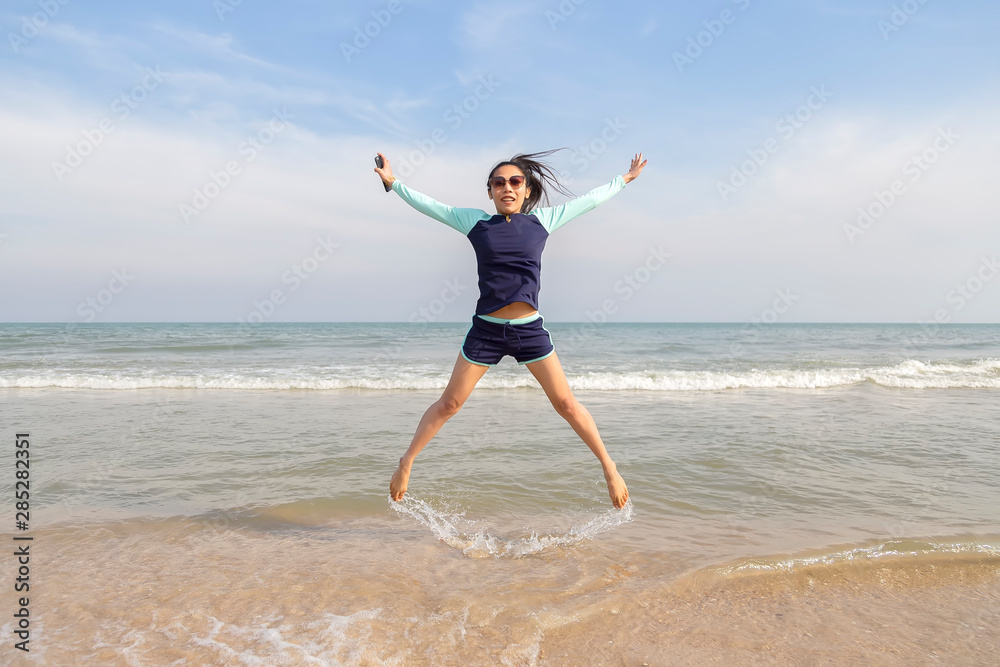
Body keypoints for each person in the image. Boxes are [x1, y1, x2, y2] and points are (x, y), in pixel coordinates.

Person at [374, 149, 647, 509]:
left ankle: (610, 468)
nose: (507, 188)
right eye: (499, 183)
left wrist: (624, 180)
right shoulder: (475, 222)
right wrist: (393, 183)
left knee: (566, 402)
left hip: (529, 330)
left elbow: (589, 201)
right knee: (450, 403)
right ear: (490, 191)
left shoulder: (543, 222)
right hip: (485, 330)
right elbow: (432, 206)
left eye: (515, 182)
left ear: (527, 190)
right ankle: (406, 461)